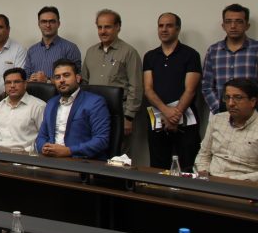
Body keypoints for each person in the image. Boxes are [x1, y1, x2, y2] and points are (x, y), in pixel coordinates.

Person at [142, 13, 202, 171]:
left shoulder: (191, 55)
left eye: (169, 25)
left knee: (188, 166)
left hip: (186, 119)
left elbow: (190, 90)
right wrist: (166, 111)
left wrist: (175, 115)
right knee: (157, 166)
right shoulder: (150, 56)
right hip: (157, 118)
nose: (164, 29)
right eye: (160, 26)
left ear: (178, 29)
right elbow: (148, 89)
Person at [81, 9, 142, 153]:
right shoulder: (91, 52)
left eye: (107, 27)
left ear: (118, 27)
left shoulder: (129, 52)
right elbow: (84, 83)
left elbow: (136, 87)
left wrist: (128, 118)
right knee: (94, 153)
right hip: (93, 113)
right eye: (100, 27)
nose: (103, 31)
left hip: (118, 113)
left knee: (118, 156)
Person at [36, 59, 111, 160]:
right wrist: (44, 147)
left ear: (78, 78)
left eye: (66, 75)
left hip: (79, 161)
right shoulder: (51, 103)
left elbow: (102, 140)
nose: (61, 80)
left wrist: (69, 151)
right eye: (57, 77)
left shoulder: (95, 102)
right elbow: (41, 137)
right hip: (51, 159)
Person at [194, 78, 258, 181]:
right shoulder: (217, 119)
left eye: (238, 97)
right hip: (210, 181)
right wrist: (204, 173)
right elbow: (203, 155)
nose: (231, 103)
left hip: (244, 184)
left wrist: (231, 180)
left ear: (253, 101)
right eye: (227, 97)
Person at [201, 3, 258, 116]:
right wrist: (219, 109)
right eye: (228, 21)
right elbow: (207, 86)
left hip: (252, 114)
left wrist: (253, 109)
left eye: (239, 21)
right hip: (221, 113)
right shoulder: (213, 50)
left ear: (247, 25)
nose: (233, 26)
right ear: (223, 26)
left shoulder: (256, 49)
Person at [0, 68, 45, 151]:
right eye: (8, 82)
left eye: (17, 82)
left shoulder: (38, 106)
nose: (12, 86)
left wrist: (27, 152)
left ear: (25, 84)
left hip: (23, 155)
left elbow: (44, 138)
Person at [25, 6, 82, 82]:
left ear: (58, 24)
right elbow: (26, 78)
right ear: (39, 24)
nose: (48, 25)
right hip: (33, 90)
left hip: (59, 90)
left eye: (52, 21)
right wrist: (30, 80)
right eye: (44, 21)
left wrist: (47, 80)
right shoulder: (32, 50)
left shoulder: (70, 48)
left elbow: (76, 80)